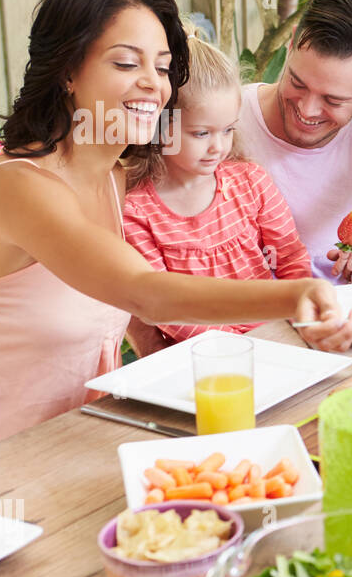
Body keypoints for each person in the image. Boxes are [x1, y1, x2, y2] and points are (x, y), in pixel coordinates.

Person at [0, 0, 352, 469]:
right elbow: (142, 291)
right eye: (127, 62)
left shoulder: (114, 177)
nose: (154, 82)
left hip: (65, 447)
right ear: (67, 70)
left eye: (164, 67)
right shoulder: (18, 188)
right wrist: (294, 295)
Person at [122, 27, 312, 353]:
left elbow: (290, 256)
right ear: (159, 126)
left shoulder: (251, 182)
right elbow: (164, 305)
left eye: (227, 130)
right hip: (200, 351)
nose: (218, 147)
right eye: (201, 133)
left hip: (275, 332)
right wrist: (233, 345)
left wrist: (304, 317)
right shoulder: (136, 211)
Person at [235, 0, 352, 282]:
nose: (308, 109)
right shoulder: (220, 122)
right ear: (291, 46)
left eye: (333, 100)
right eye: (298, 83)